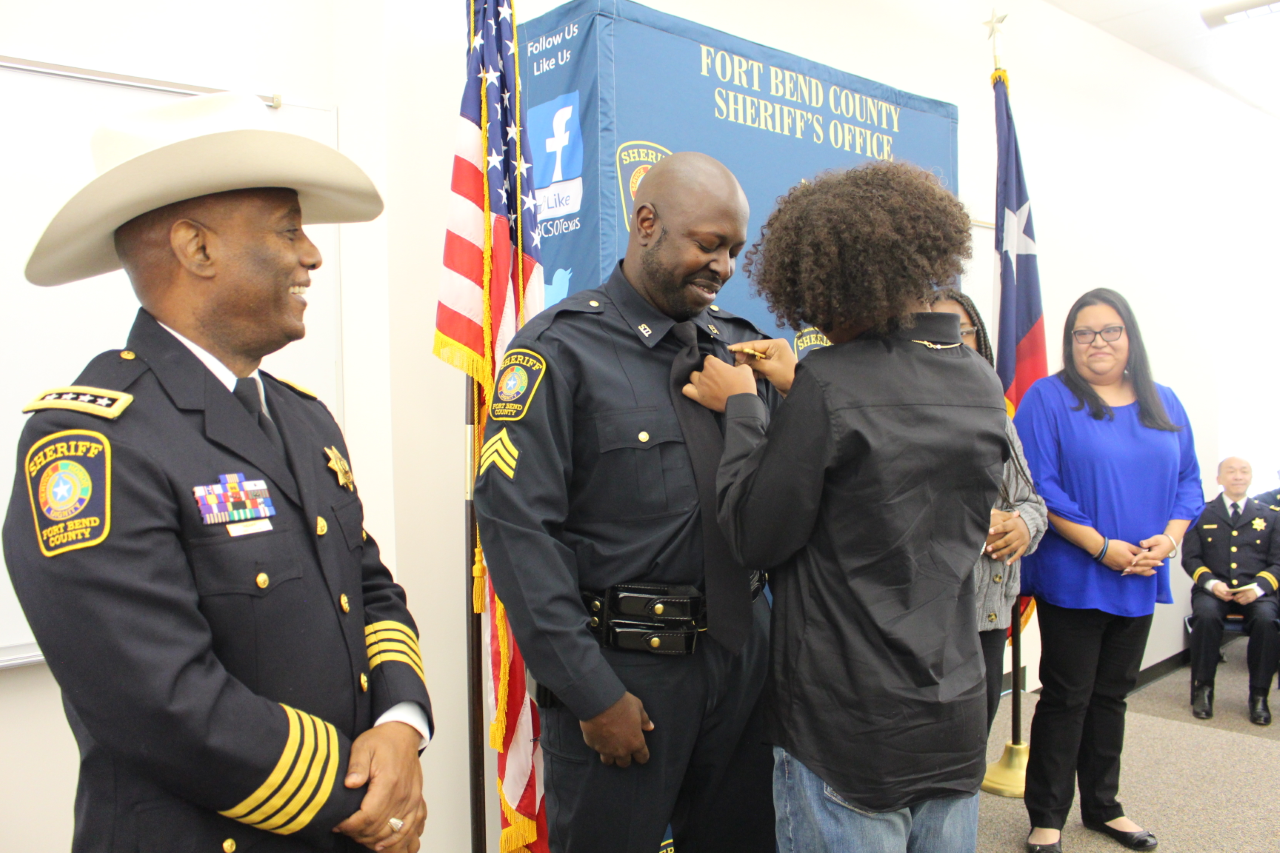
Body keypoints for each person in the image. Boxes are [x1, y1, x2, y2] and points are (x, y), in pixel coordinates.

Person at [3, 93, 433, 853]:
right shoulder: (88, 443)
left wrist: (400, 726)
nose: (312, 254)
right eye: (289, 228)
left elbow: (370, 590)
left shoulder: (304, 420)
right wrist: (368, 789)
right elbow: (160, 702)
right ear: (196, 250)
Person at [685, 161, 1007, 853]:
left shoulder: (829, 383)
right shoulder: (980, 380)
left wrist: (743, 405)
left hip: (848, 732)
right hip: (952, 716)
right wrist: (801, 387)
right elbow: (885, 450)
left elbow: (755, 532)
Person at [473, 152, 780, 852]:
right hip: (629, 676)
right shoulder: (558, 352)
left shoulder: (739, 352)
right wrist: (590, 691)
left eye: (734, 249)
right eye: (709, 244)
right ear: (646, 223)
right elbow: (519, 534)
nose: (725, 265)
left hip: (742, 669)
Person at [1014, 288, 1201, 853]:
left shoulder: (1163, 401)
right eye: (1083, 333)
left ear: (1130, 337)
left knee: (1113, 695)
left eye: (1110, 330)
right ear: (1070, 343)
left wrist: (1168, 542)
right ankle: (1047, 816)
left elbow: (1189, 481)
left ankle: (1103, 807)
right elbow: (1038, 485)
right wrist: (1101, 548)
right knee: (1067, 696)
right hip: (1077, 573)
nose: (1097, 342)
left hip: (1142, 572)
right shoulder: (1048, 398)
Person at [930, 287, 1047, 734]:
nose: (953, 342)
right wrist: (979, 529)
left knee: (971, 745)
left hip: (989, 615)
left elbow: (1031, 502)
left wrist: (1022, 524)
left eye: (963, 331)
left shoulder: (996, 415)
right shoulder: (898, 413)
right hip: (928, 616)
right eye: (937, 330)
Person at [1182, 457, 1280, 725]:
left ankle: (1259, 695)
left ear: (1251, 477)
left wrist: (1259, 588)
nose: (1238, 476)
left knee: (1267, 621)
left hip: (1256, 593)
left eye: (1244, 471)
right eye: (1231, 471)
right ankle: (1203, 689)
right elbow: (1191, 559)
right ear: (1219, 479)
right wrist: (1212, 584)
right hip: (1215, 590)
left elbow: (1277, 562)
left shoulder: (1270, 516)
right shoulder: (1202, 514)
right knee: (1205, 616)